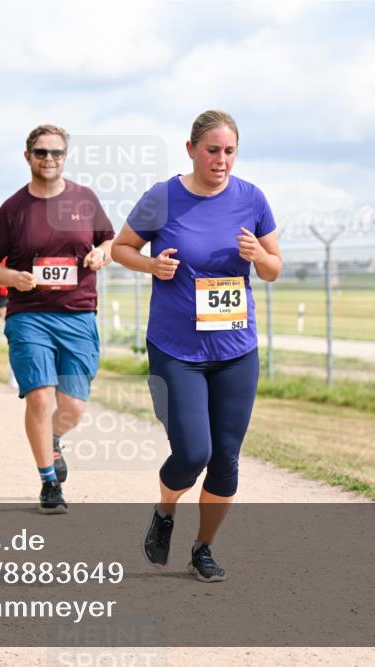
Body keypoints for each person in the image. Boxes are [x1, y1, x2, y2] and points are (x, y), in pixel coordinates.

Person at [111, 110, 282, 582]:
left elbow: (274, 269)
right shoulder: (163, 198)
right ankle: (165, 511)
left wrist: (259, 256)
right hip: (176, 350)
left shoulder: (252, 199)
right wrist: (152, 267)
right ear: (190, 150)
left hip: (235, 350)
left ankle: (203, 548)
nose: (221, 160)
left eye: (229, 151)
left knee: (226, 458)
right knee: (192, 454)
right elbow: (119, 248)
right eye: (212, 150)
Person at [0, 124, 114, 514]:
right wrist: (10, 277)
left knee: (72, 407)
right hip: (30, 316)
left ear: (65, 156)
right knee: (39, 395)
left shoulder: (84, 200)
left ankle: (52, 439)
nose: (48, 159)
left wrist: (102, 254)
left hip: (77, 314)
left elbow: (110, 241)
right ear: (27, 157)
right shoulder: (13, 208)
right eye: (40, 152)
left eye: (55, 153)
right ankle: (48, 482)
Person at [0, 257, 19, 389]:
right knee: (13, 333)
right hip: (4, 294)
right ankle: (14, 370)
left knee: (19, 335)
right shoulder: (2, 242)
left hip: (21, 293)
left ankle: (14, 368)